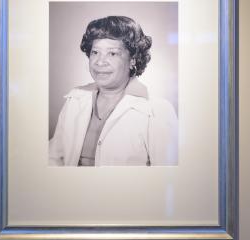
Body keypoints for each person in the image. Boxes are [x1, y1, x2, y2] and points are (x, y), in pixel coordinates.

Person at [49, 16, 178, 166]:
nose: (100, 62)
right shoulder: (75, 99)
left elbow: (168, 177)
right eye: (95, 52)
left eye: (112, 53)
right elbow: (54, 158)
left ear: (132, 60)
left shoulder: (158, 111)